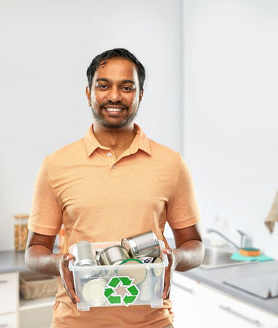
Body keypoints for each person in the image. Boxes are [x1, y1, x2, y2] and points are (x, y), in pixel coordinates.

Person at [25, 48, 204, 328]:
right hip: (75, 322)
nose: (115, 96)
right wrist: (60, 263)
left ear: (140, 95)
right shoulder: (56, 165)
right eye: (103, 85)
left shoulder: (171, 164)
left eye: (127, 87)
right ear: (88, 93)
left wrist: (175, 258)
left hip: (152, 322)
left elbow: (195, 246)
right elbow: (35, 251)